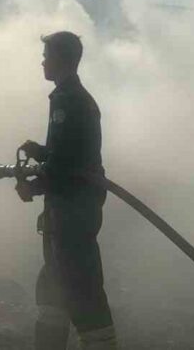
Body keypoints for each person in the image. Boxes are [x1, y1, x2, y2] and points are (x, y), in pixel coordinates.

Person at [18, 31, 117, 350]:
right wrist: (41, 152)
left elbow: (64, 167)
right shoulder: (73, 98)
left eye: (46, 56)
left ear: (61, 59)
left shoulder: (68, 99)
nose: (42, 62)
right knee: (53, 289)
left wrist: (33, 187)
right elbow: (69, 154)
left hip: (72, 212)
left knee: (81, 289)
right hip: (68, 210)